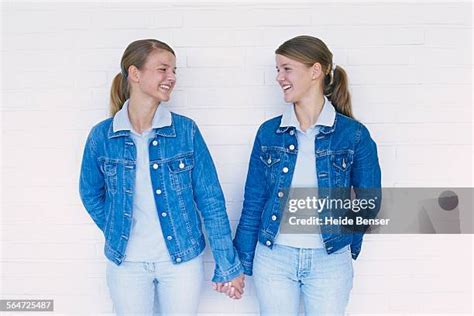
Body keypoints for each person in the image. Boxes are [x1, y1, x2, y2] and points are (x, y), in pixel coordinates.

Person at [79, 39, 244, 315]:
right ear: (135, 73)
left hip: (180, 261)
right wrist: (115, 227)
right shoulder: (102, 135)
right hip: (126, 262)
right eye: (163, 69)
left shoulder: (185, 131)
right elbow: (90, 193)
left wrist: (227, 264)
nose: (172, 78)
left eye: (174, 71)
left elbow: (211, 200)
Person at [232, 35, 382, 315]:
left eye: (286, 68)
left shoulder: (354, 135)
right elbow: (254, 200)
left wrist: (348, 244)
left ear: (315, 71)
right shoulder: (268, 132)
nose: (279, 77)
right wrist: (240, 260)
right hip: (274, 258)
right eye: (278, 69)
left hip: (330, 261)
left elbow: (368, 203)